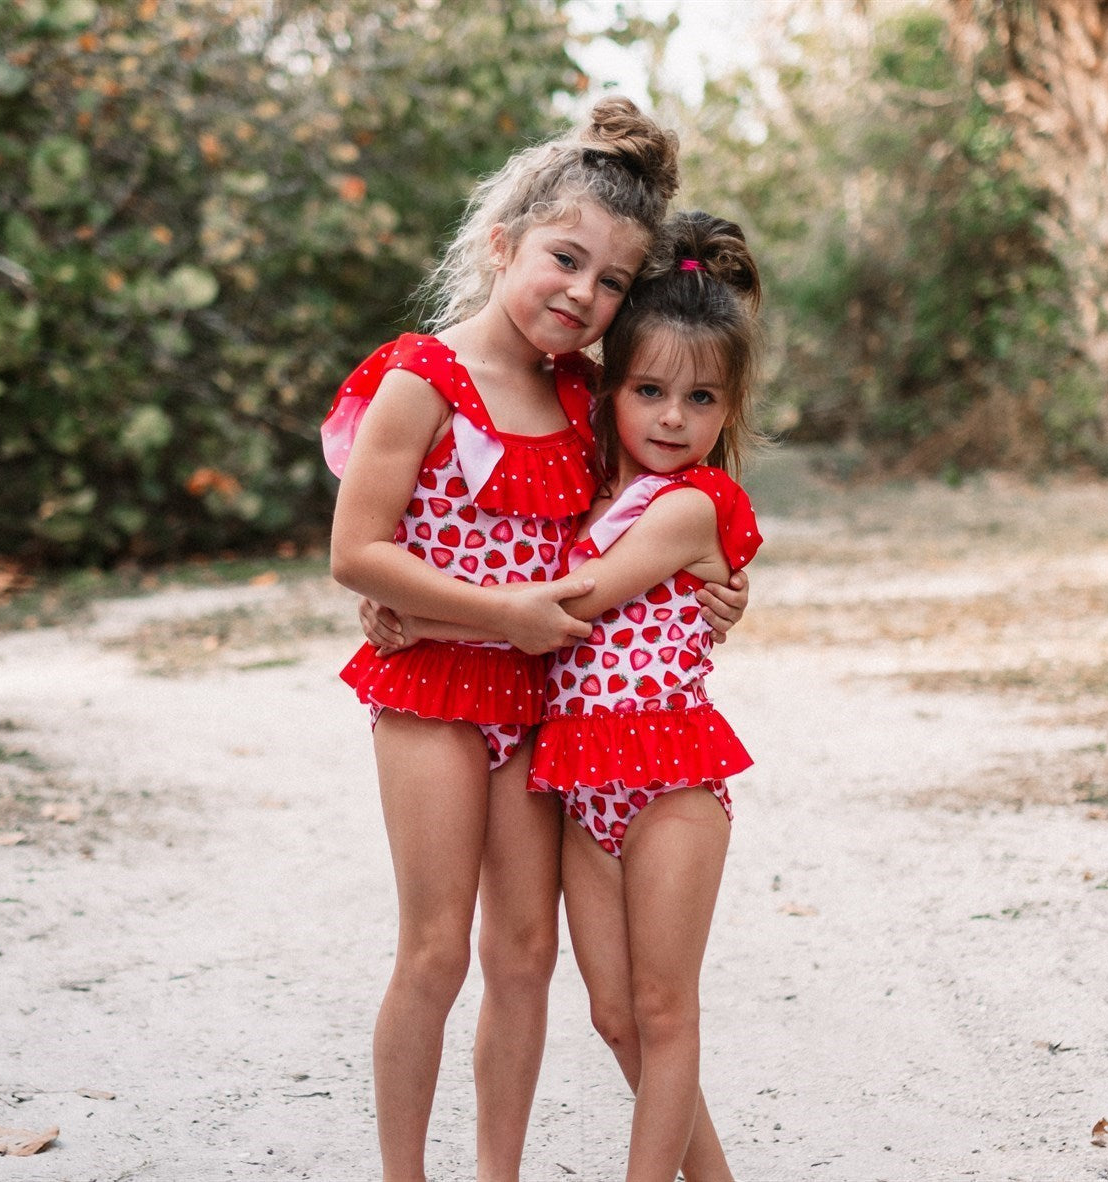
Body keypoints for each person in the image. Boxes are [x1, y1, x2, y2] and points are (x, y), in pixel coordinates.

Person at [324, 98, 748, 1181]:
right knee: (435, 949)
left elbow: (637, 531)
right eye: (565, 259)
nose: (583, 294)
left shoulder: (584, 395)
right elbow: (357, 552)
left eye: (611, 281)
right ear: (503, 241)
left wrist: (716, 589)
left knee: (525, 955)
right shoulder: (422, 377)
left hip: (541, 708)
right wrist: (474, 614)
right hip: (432, 689)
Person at [527, 210, 765, 1181]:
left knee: (666, 1011)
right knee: (615, 1015)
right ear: (610, 390)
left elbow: (578, 598)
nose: (674, 417)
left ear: (726, 411)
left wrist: (442, 607)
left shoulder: (687, 505)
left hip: (670, 780)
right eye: (651, 390)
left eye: (701, 398)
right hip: (585, 780)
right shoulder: (587, 493)